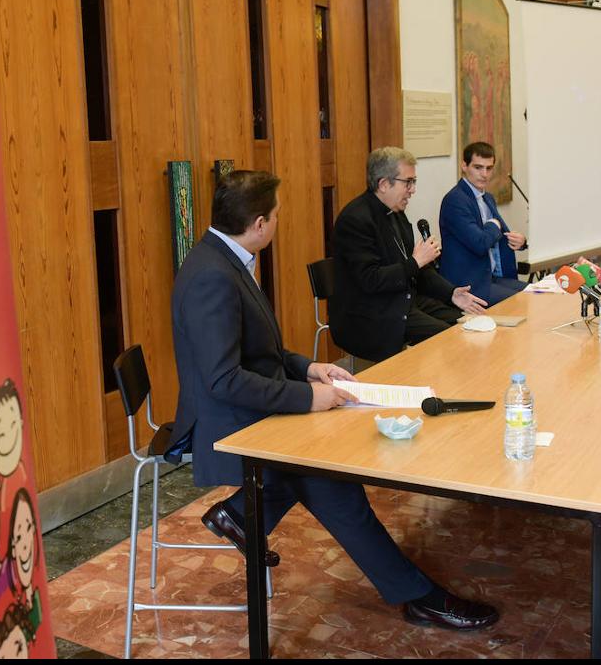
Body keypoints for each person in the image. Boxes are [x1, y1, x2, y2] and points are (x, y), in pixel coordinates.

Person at [167, 169, 498, 631]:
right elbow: (223, 380)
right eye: (278, 215)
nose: (279, 222)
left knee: (327, 475)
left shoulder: (226, 259)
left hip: (253, 399)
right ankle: (418, 596)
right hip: (228, 420)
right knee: (330, 480)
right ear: (259, 223)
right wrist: (307, 397)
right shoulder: (211, 277)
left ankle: (242, 513)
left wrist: (308, 368)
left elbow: (260, 349)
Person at [331, 146, 487, 363]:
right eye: (408, 182)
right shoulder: (355, 220)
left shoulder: (396, 213)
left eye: (414, 182)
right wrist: (416, 261)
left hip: (403, 300)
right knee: (449, 338)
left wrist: (451, 293)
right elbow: (371, 280)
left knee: (469, 323)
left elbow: (419, 271)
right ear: (384, 184)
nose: (413, 190)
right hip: (371, 312)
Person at [438, 141, 528, 306]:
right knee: (523, 302)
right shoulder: (455, 200)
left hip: (491, 277)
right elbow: (480, 242)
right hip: (469, 284)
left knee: (534, 292)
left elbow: (501, 234)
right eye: (478, 167)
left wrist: (521, 241)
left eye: (489, 168)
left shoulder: (487, 198)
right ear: (464, 166)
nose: (484, 174)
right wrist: (493, 225)